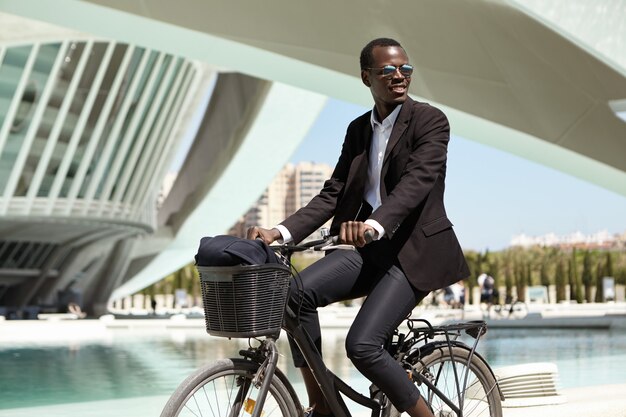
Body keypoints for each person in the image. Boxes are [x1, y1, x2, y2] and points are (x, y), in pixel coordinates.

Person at [247, 38, 469, 417]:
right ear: (366, 77)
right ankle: (322, 404)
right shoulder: (357, 131)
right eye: (388, 70)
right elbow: (332, 194)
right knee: (293, 294)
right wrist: (279, 233)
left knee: (363, 345)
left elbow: (416, 184)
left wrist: (374, 224)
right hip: (371, 250)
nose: (400, 76)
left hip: (415, 253)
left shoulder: (430, 121)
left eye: (405, 69)